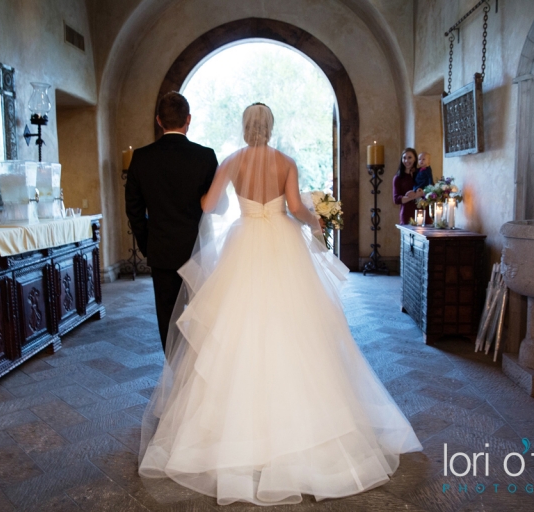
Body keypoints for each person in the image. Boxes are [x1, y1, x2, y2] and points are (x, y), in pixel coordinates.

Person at [138, 103, 422, 506]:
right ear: (270, 128)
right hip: (281, 245)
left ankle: (230, 434)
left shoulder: (233, 161)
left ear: (244, 128)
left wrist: (224, 200)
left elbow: (208, 207)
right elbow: (294, 208)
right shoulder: (286, 161)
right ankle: (305, 430)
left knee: (237, 331)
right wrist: (316, 219)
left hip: (244, 241)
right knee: (295, 327)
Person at [125, 91, 218, 352]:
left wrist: (148, 245)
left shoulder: (141, 158)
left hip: (162, 251)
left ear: (158, 120)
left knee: (168, 320)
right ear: (188, 119)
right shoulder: (206, 156)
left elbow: (134, 210)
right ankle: (200, 371)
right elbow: (214, 205)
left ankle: (176, 378)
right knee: (202, 314)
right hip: (197, 250)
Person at [392, 147, 422, 225]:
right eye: (404, 158)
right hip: (407, 214)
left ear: (415, 159)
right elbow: (396, 199)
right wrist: (415, 196)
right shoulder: (398, 177)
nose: (406, 161)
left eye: (409, 158)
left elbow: (428, 189)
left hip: (421, 213)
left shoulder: (420, 174)